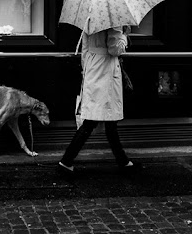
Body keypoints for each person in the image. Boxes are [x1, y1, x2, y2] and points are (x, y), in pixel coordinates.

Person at [58, 25, 139, 175]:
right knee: (94, 120)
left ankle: (123, 161)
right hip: (106, 70)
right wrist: (124, 35)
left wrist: (87, 71)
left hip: (93, 68)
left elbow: (85, 49)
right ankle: (66, 160)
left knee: (106, 119)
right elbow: (115, 49)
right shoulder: (113, 22)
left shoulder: (90, 20)